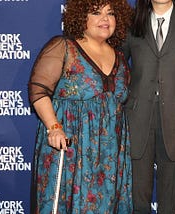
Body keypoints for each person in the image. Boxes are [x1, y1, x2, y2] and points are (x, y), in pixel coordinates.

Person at [28, 0, 133, 213]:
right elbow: (38, 91)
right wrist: (54, 127)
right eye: (96, 12)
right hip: (70, 149)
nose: (105, 19)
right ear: (80, 17)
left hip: (109, 155)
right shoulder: (63, 47)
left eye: (110, 13)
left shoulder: (120, 57)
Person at [122, 0, 175, 213]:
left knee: (171, 199)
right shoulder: (131, 22)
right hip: (137, 117)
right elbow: (117, 65)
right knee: (137, 197)